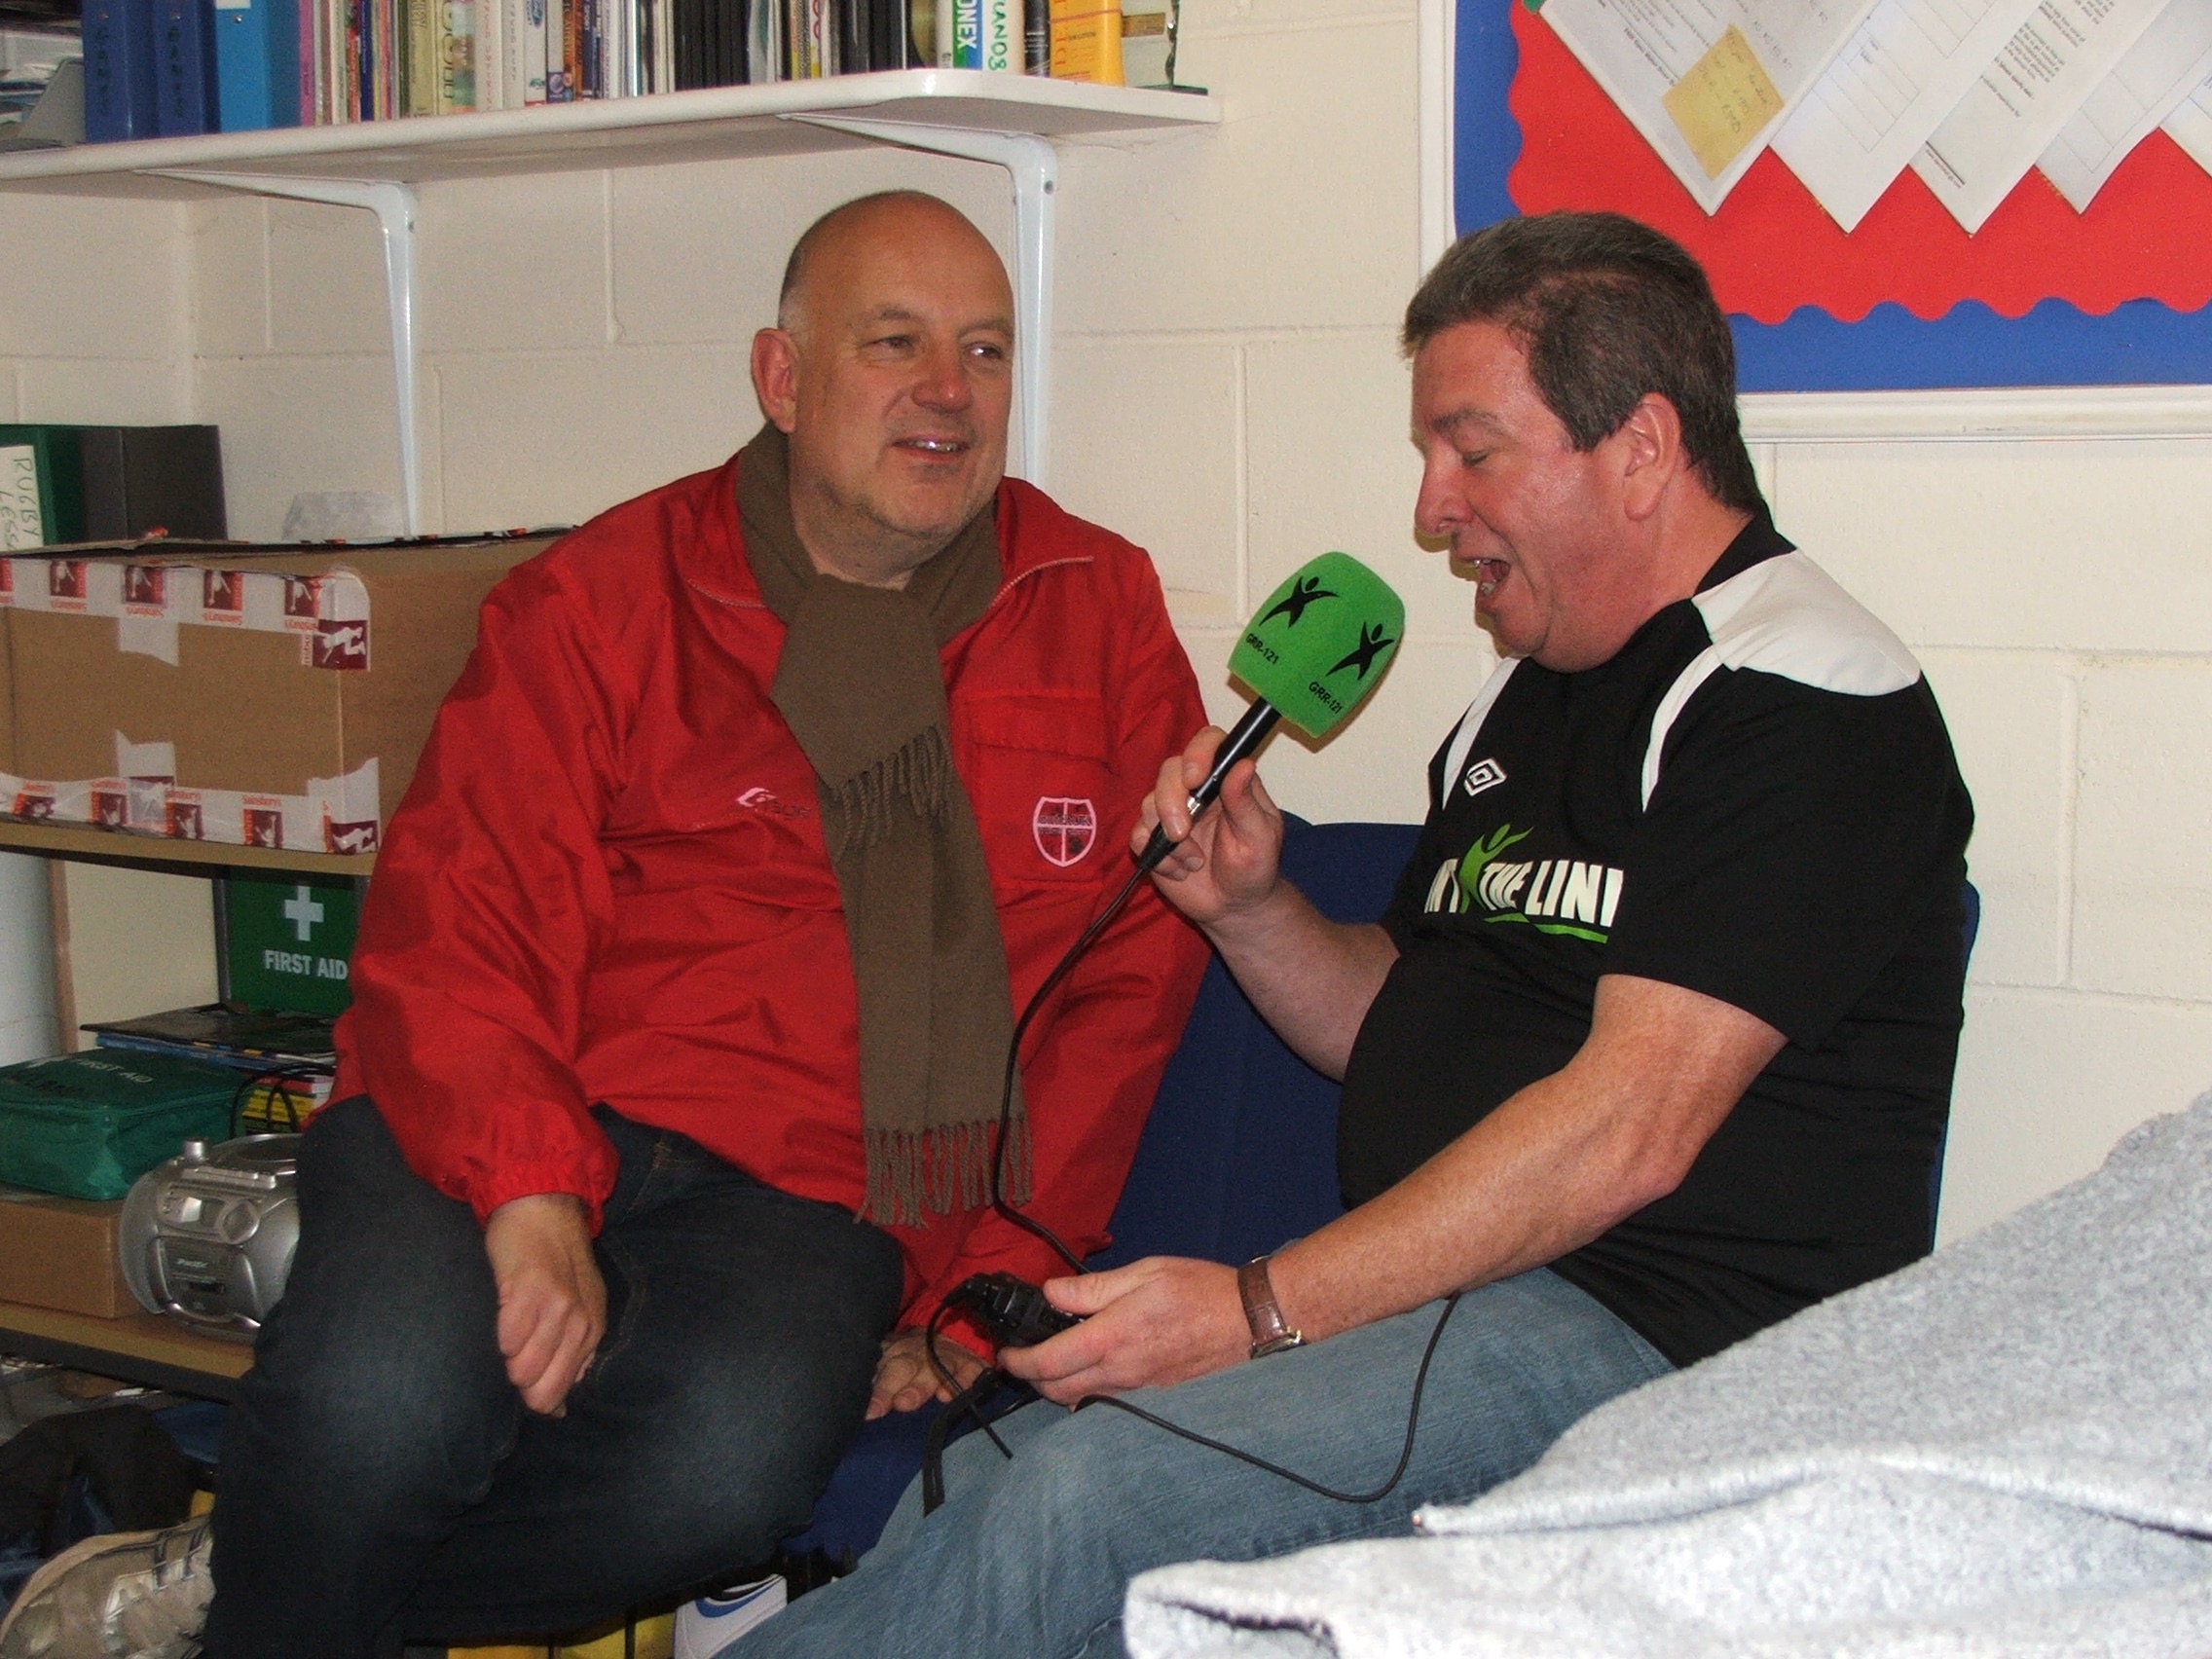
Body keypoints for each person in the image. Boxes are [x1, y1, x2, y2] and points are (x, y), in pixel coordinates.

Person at [721, 209, 1975, 1659]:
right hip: (1452, 1298)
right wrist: (1252, 912)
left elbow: (1629, 1127)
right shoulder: (1528, 690)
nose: (1433, 511)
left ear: (1639, 448)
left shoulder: (1801, 697)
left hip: (1663, 1340)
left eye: (1471, 450)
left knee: (1085, 1501)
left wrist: (1255, 1311)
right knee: (980, 1477)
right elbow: (1403, 1017)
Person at [0, 191, 1207, 1659]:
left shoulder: (1094, 608)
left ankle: (246, 1587)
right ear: (782, 377)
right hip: (522, 1102)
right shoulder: (602, 597)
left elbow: (1124, 989)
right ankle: (292, 1574)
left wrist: (981, 1296)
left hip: (810, 1194)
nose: (948, 392)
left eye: (986, 350)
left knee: (720, 1478)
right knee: (381, 1403)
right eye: (895, 343)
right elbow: (464, 917)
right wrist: (528, 1192)